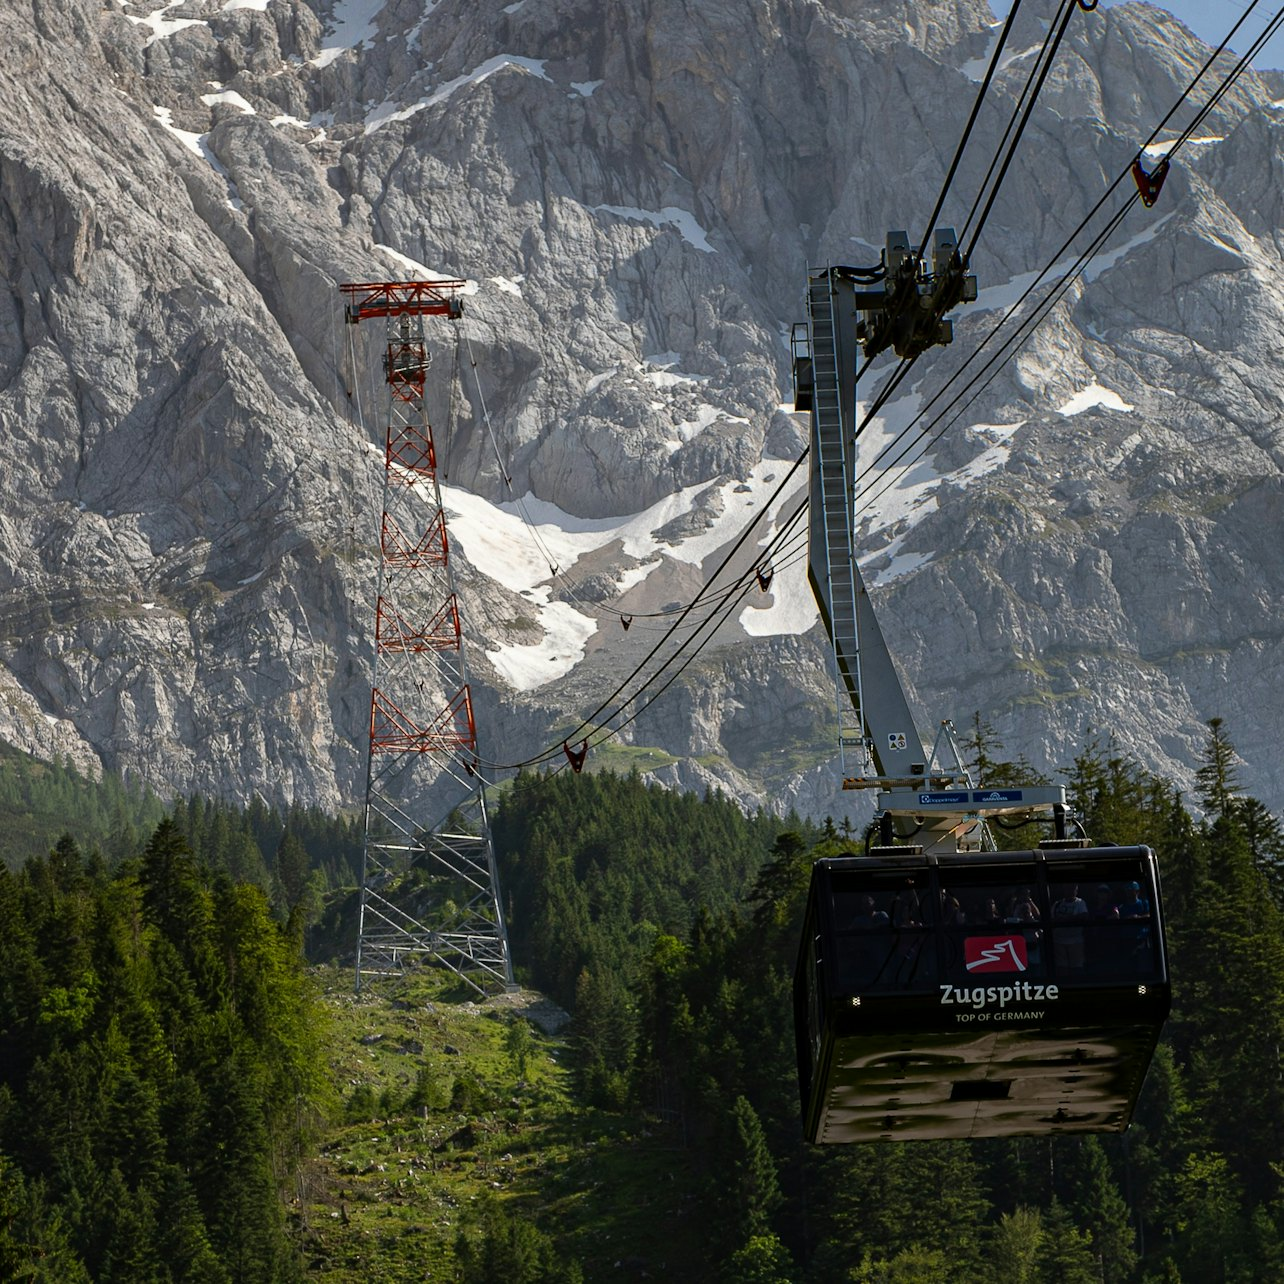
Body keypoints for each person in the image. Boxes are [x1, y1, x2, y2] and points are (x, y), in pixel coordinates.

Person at [1053, 884, 1088, 971]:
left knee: (1076, 968)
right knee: (1062, 968)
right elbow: (1051, 918)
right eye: (1068, 889)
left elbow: (1084, 915)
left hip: (1076, 941)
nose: (1070, 891)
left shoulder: (1080, 902)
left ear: (1076, 891)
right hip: (1059, 941)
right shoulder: (1057, 904)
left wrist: (1067, 919)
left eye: (1073, 889)